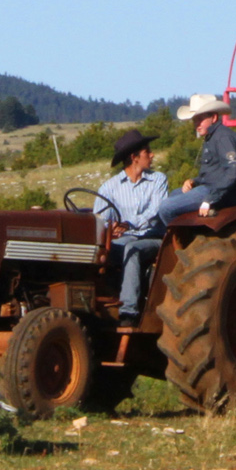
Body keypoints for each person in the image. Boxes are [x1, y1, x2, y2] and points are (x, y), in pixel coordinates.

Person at [96, 130, 168, 326]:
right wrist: (110, 228)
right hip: (122, 239)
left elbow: (156, 211)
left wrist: (128, 224)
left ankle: (128, 312)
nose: (152, 155)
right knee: (98, 252)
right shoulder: (108, 188)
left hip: (152, 238)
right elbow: (100, 220)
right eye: (148, 151)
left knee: (132, 248)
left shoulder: (158, 180)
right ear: (134, 158)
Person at [159, 94, 236, 221]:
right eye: (194, 120)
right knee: (174, 195)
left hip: (224, 193)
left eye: (200, 119)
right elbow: (214, 172)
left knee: (166, 207)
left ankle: (180, 239)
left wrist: (210, 199)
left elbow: (234, 169)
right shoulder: (212, 136)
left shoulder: (223, 137)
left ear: (214, 117)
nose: (197, 124)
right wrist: (194, 181)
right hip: (211, 188)